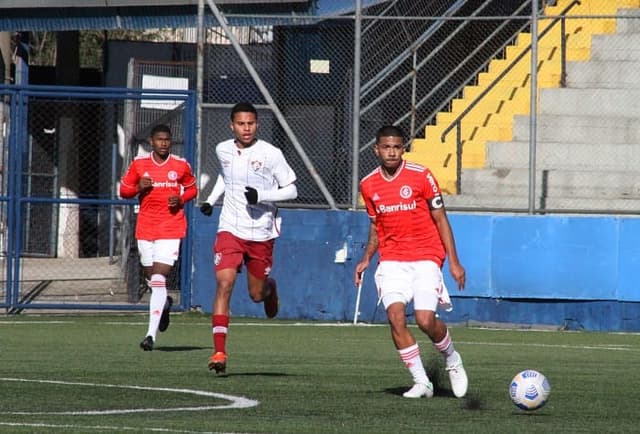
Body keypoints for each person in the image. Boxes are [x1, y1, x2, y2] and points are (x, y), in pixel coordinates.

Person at [354, 125, 468, 399]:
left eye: (396, 147)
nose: (391, 152)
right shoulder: (368, 185)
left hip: (426, 256)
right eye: (386, 147)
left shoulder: (421, 176)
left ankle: (452, 358)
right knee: (395, 316)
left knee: (425, 319)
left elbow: (441, 218)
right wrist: (366, 258)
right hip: (392, 259)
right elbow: (375, 227)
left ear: (403, 148)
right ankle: (422, 382)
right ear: (377, 150)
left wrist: (454, 262)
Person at [200, 102, 297, 374]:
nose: (246, 128)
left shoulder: (271, 154)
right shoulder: (223, 149)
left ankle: (270, 288)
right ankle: (219, 351)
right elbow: (225, 175)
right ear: (232, 125)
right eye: (241, 124)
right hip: (230, 227)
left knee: (256, 294)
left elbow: (292, 190)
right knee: (225, 282)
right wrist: (209, 200)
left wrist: (262, 195)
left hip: (261, 232)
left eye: (251, 123)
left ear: (257, 125)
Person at [120, 124, 197, 351]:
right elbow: (123, 191)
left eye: (167, 139)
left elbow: (192, 188)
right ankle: (164, 305)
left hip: (171, 227)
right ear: (151, 142)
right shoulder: (139, 165)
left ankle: (150, 335)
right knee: (151, 278)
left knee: (159, 280)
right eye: (159, 139)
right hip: (145, 227)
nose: (163, 143)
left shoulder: (180, 165)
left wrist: (181, 199)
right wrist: (137, 187)